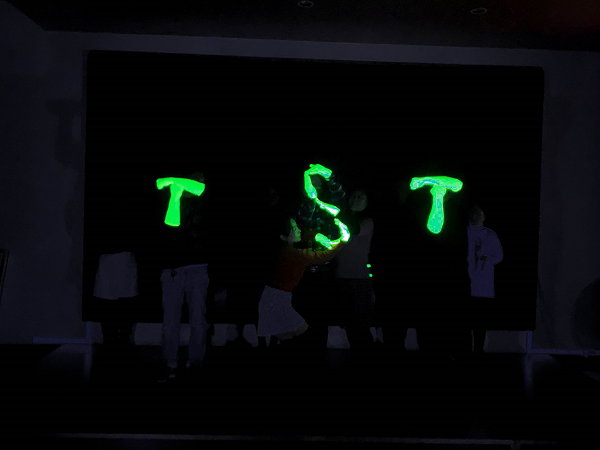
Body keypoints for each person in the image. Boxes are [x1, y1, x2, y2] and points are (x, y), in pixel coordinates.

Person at [257, 217, 346, 345]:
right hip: (276, 301)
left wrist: (316, 236)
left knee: (289, 337)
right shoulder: (292, 254)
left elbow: (302, 236)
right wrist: (342, 241)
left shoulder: (283, 249)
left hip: (273, 299)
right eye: (294, 229)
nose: (299, 230)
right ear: (283, 236)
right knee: (301, 335)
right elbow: (322, 256)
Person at [157, 171, 211, 382]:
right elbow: (171, 228)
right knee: (171, 321)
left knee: (197, 320)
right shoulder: (171, 198)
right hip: (173, 269)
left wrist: (171, 182)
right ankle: (170, 363)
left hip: (198, 267)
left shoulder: (203, 204)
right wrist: (175, 194)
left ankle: (195, 362)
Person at [333, 188, 375, 357]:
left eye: (360, 196)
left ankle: (365, 357)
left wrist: (344, 212)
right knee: (350, 324)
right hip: (342, 277)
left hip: (360, 279)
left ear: (367, 202)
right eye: (354, 195)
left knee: (360, 324)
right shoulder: (343, 219)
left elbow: (353, 230)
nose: (356, 199)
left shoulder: (368, 221)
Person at [467, 205, 503, 353]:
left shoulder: (490, 235)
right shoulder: (465, 233)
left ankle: (478, 351)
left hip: (483, 288)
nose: (477, 216)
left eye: (479, 214)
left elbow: (499, 256)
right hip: (468, 285)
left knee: (480, 324)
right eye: (475, 214)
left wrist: (487, 259)